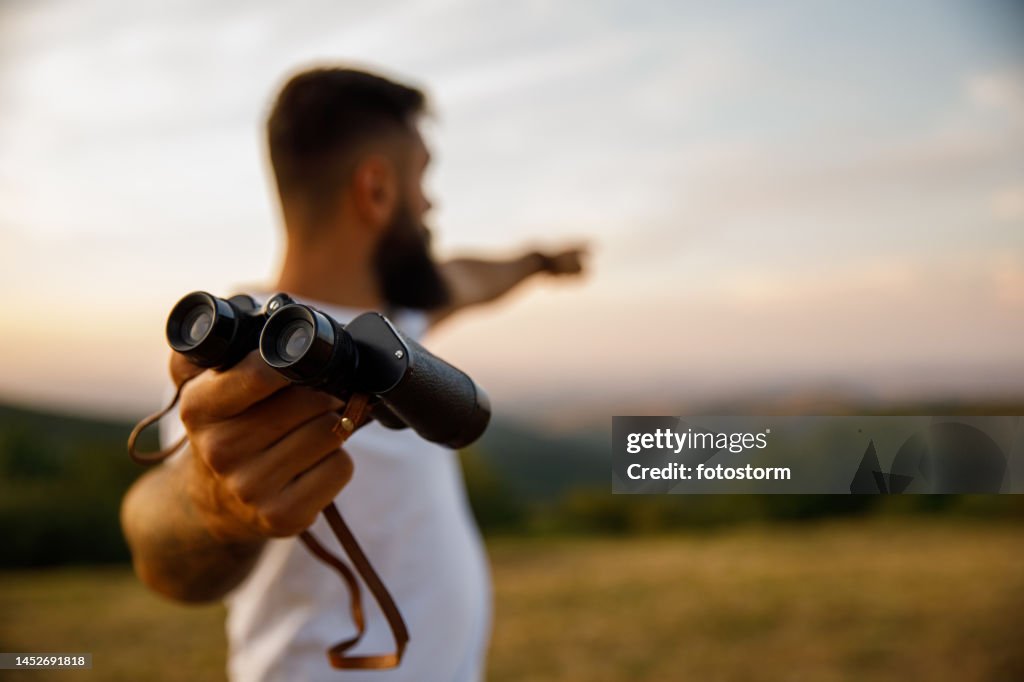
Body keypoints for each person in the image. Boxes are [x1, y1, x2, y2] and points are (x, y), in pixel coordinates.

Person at [120, 67, 586, 681]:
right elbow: (164, 551)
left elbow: (471, 276)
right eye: (423, 180)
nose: (430, 205)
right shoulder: (236, 369)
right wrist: (211, 505)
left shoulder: (397, 323)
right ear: (376, 189)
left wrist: (542, 261)